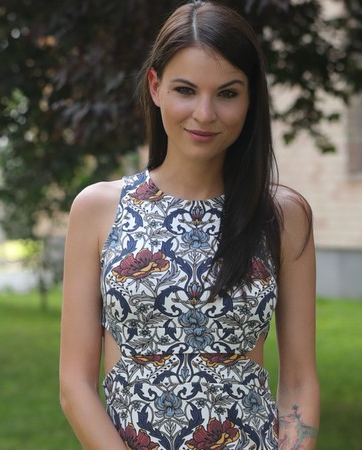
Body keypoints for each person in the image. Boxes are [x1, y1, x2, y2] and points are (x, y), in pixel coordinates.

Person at [58, 1, 320, 449]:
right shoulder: (99, 210)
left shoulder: (281, 216)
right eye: (185, 90)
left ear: (250, 99)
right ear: (155, 87)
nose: (204, 113)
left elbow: (299, 381)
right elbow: (74, 385)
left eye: (227, 93)